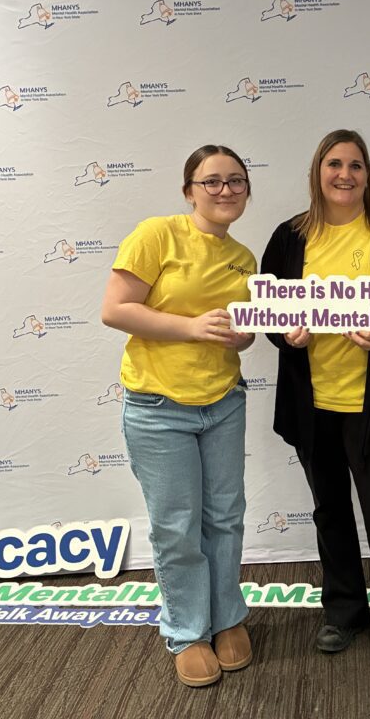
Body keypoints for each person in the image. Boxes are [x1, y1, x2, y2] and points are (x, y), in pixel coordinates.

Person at [261, 129, 370, 661]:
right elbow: (270, 311)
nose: (345, 174)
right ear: (318, 171)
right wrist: (286, 335)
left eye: (356, 165)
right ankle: (343, 611)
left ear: (367, 175)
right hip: (312, 403)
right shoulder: (289, 237)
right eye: (334, 164)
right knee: (330, 511)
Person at [100, 145, 256, 686]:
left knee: (226, 517)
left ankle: (227, 618)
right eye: (212, 181)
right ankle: (188, 631)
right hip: (158, 408)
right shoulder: (156, 235)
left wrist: (243, 335)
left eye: (236, 180)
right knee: (177, 527)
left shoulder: (245, 258)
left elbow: (242, 333)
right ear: (189, 190)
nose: (225, 190)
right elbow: (114, 309)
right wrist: (190, 327)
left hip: (224, 402)